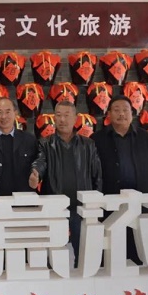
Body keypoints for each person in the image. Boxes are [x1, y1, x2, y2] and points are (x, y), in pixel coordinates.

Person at [29, 101, 102, 267]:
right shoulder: (45, 143)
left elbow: (97, 175)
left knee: (83, 252)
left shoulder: (88, 144)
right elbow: (40, 161)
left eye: (67, 115)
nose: (62, 119)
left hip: (81, 207)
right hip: (55, 207)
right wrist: (35, 174)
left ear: (75, 118)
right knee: (54, 251)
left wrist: (96, 203)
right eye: (59, 115)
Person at [91, 95, 148, 263]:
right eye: (116, 110)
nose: (121, 114)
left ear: (132, 113)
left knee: (139, 248)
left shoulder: (146, 137)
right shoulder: (97, 139)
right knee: (112, 249)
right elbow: (92, 173)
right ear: (108, 114)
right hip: (110, 201)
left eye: (125, 110)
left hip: (139, 201)